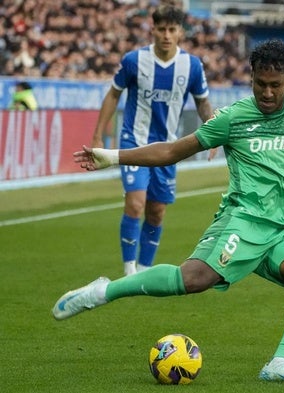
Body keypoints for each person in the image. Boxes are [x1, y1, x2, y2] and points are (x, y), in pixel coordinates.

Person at [52, 39, 284, 385]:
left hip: (281, 228)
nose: (267, 93)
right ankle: (104, 291)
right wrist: (114, 156)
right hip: (241, 222)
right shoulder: (232, 118)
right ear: (251, 78)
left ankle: (279, 363)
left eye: (275, 86)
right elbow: (172, 151)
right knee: (192, 280)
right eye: (260, 84)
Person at [90, 4, 214, 276]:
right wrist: (99, 133)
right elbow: (113, 94)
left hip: (169, 148)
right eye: (161, 29)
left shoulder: (191, 65)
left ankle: (145, 269)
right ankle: (129, 270)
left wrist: (213, 131)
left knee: (156, 211)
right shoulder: (134, 60)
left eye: (172, 29)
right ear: (153, 30)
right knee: (135, 203)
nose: (166, 35)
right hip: (134, 141)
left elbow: (203, 103)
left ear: (180, 32)